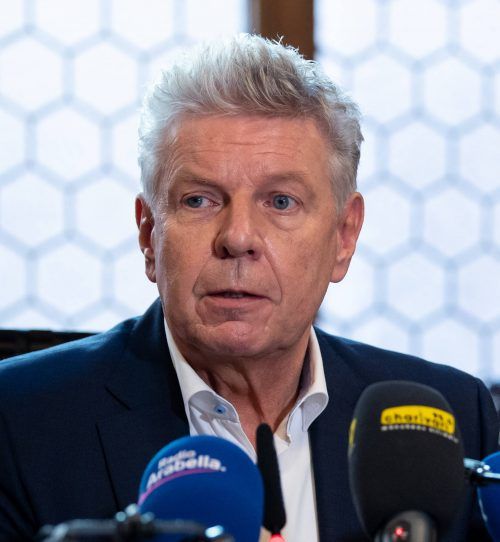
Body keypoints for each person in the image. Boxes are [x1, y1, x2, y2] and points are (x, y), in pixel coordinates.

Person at [0, 34, 497, 542]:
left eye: (281, 202)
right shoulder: (18, 422)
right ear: (149, 234)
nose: (238, 238)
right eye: (199, 200)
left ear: (344, 236)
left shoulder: (453, 417)